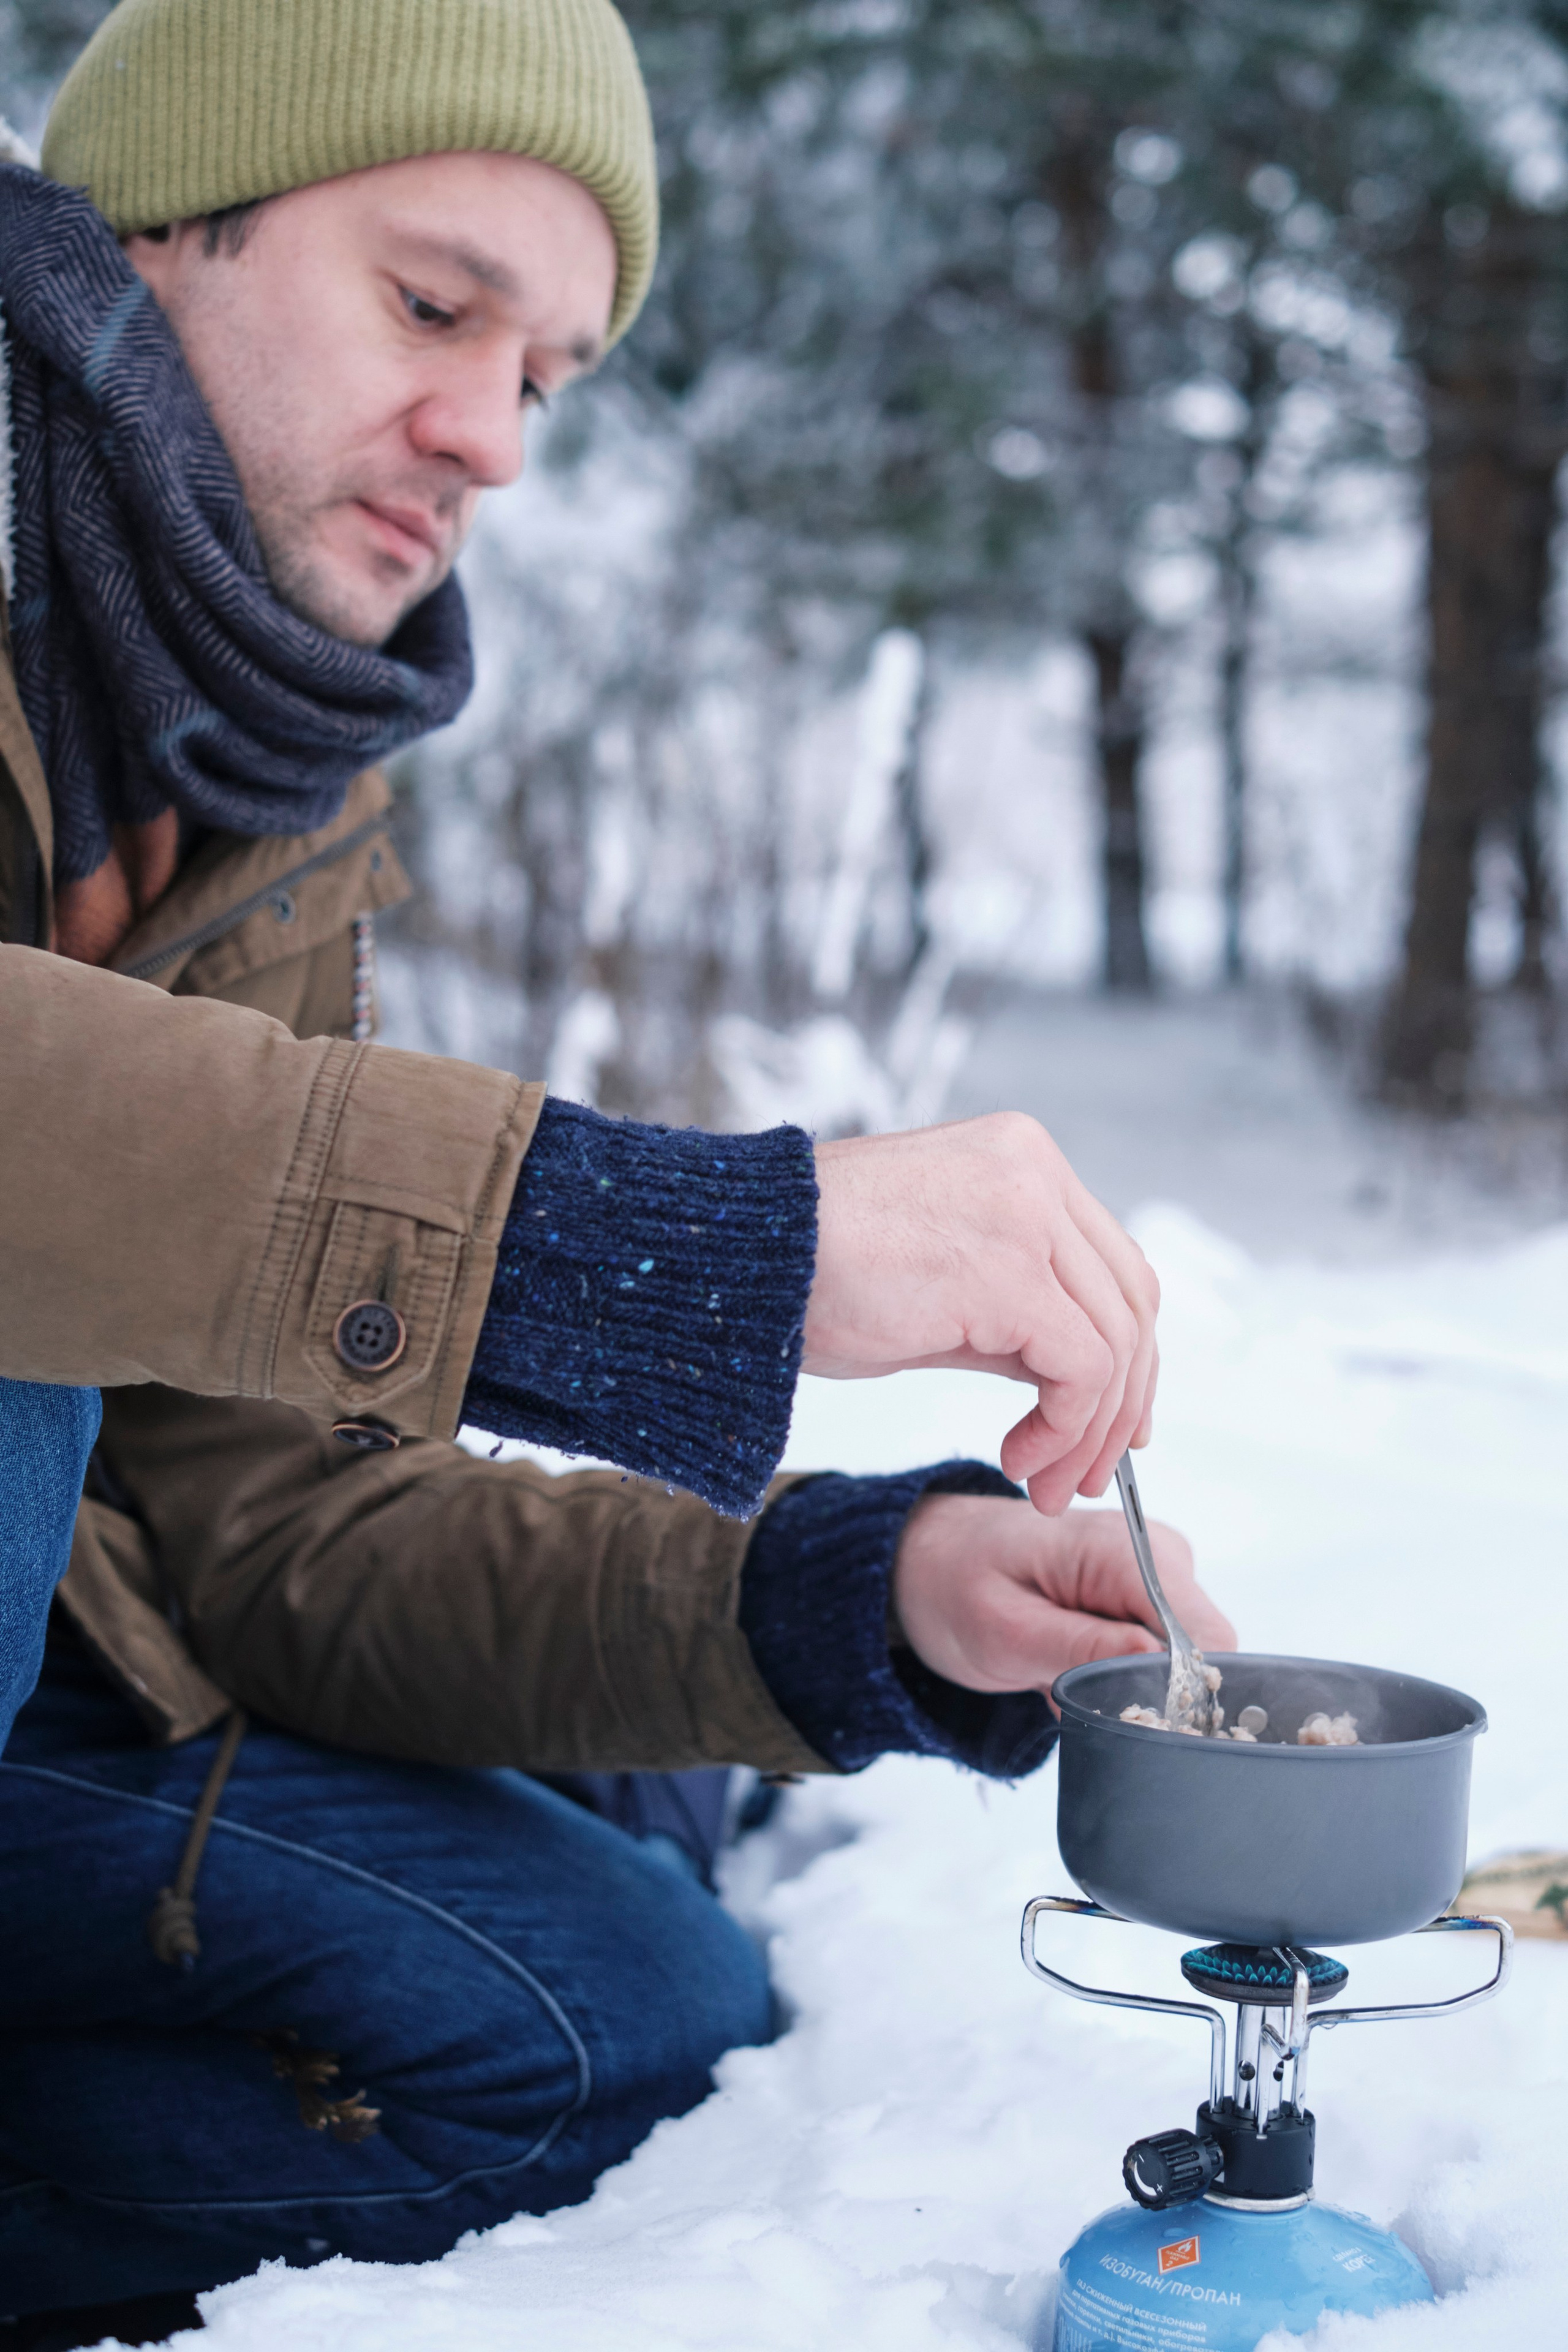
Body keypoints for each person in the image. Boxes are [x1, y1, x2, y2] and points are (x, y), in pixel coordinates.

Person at [0, 2, 1235, 2337]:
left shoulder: (251, 770)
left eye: (547, 376)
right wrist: (675, 1247)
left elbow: (274, 1526)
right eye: (434, 304)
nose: (492, 441)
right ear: (157, 235)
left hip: (61, 1698)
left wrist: (853, 1602)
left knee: (617, 1997)